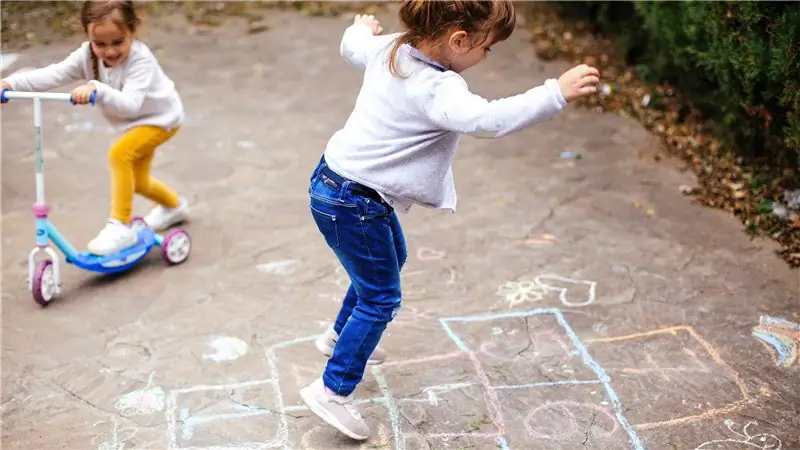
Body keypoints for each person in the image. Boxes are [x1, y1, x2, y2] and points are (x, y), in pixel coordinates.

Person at [300, 0, 601, 441]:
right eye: (487, 49)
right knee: (382, 298)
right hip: (355, 201)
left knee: (388, 262)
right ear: (459, 40)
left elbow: (353, 46)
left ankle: (336, 335)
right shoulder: (437, 88)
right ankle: (332, 389)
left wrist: (357, 28)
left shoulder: (390, 47)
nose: (485, 58)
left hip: (334, 183)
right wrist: (554, 92)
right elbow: (487, 120)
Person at [1, 0, 189, 256]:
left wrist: (97, 89)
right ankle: (174, 207)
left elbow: (131, 105)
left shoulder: (140, 60)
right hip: (134, 123)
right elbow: (53, 74)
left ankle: (120, 225)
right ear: (88, 36)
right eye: (100, 43)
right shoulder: (87, 55)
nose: (109, 52)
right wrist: (10, 83)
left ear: (132, 32)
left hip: (160, 119)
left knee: (119, 154)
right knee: (139, 182)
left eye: (118, 42)